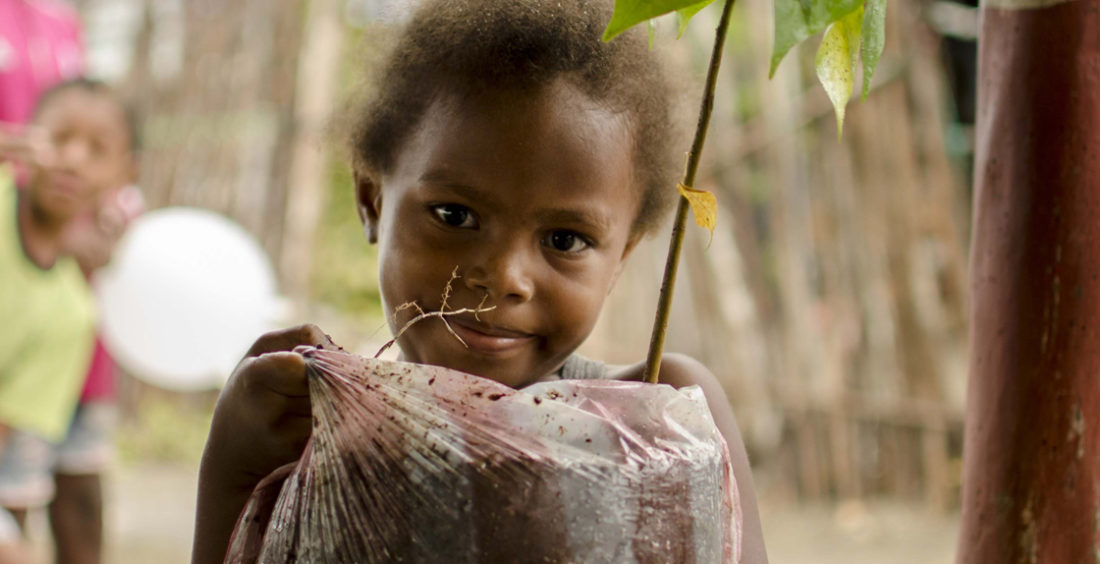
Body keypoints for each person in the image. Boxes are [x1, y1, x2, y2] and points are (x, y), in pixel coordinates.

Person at [192, 1, 768, 562]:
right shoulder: (301, 425)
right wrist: (235, 458)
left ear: (621, 259)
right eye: (454, 216)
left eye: (564, 240)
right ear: (371, 198)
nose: (506, 277)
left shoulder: (665, 413)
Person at [0, 78, 137, 564]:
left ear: (123, 175)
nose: (73, 158)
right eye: (58, 138)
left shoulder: (70, 315)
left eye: (97, 149)